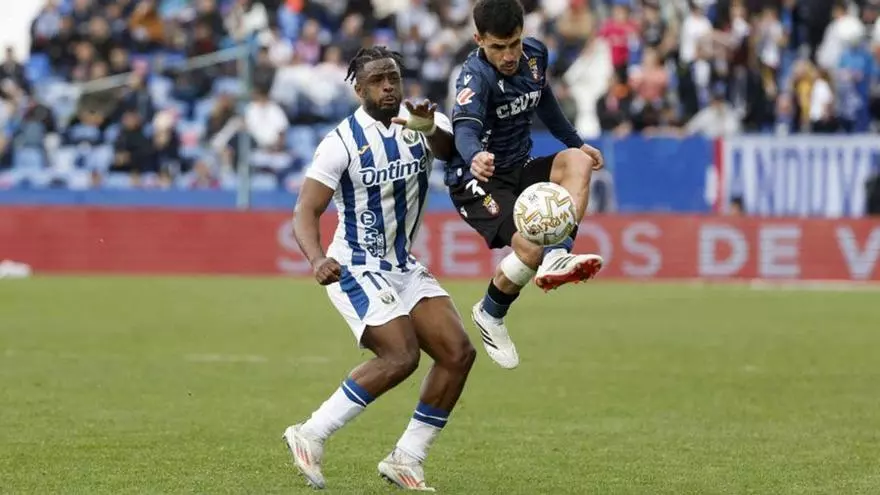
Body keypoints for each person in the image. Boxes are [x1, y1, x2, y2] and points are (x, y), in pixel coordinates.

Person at [287, 46, 476, 492]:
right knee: (400, 355)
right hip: (354, 264)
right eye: (377, 80)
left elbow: (452, 151)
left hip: (402, 265)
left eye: (393, 77)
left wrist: (429, 126)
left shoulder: (420, 120)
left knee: (457, 353)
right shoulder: (341, 143)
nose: (388, 86)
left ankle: (407, 457)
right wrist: (317, 259)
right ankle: (310, 434)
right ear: (358, 88)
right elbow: (305, 211)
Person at [445, 0, 605, 370]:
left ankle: (559, 253)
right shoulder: (474, 78)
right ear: (479, 40)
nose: (508, 55)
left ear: (523, 34)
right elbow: (465, 130)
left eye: (513, 43)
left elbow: (544, 100)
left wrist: (576, 142)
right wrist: (473, 156)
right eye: (497, 47)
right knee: (530, 250)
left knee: (578, 163)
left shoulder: (535, 55)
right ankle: (490, 312)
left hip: (519, 167)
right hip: (478, 178)